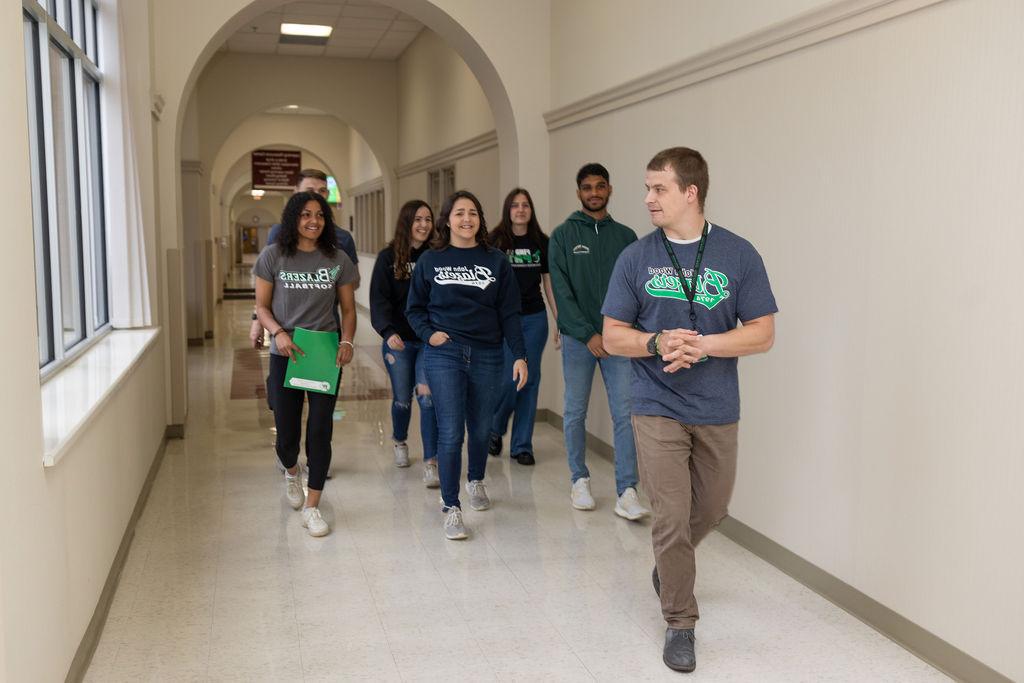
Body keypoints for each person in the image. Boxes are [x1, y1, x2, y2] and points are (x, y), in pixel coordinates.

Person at [602, 147, 777, 673]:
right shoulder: (635, 257)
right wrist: (657, 344)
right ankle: (680, 621)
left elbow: (763, 332)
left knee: (714, 506)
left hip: (717, 403)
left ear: (690, 192)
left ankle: (668, 562)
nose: (648, 198)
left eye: (658, 188)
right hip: (655, 401)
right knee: (671, 515)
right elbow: (612, 336)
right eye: (648, 187)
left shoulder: (738, 254)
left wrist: (704, 346)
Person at [406, 190, 527, 540]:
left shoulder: (496, 261)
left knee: (481, 427)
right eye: (459, 213)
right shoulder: (431, 259)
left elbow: (510, 313)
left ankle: (475, 480)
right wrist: (429, 335)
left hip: (488, 353)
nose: (466, 219)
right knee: (450, 431)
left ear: (480, 219)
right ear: (447, 219)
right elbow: (414, 309)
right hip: (445, 353)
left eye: (473, 212)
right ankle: (451, 506)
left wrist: (519, 354)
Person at [253, 191, 358, 537]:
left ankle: (313, 506)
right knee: (287, 433)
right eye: (305, 215)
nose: (313, 221)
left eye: (320, 215)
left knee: (320, 429)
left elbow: (348, 309)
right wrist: (277, 334)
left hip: (324, 352)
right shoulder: (274, 256)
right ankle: (291, 469)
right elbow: (263, 307)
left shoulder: (337, 258)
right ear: (293, 219)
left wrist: (346, 340)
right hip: (286, 351)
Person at [548, 163, 649, 520]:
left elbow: (638, 290)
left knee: (626, 414)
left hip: (619, 341)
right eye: (587, 187)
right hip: (580, 339)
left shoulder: (626, 237)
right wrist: (587, 333)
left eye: (600, 186)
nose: (594, 192)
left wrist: (624, 334)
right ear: (578, 193)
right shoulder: (561, 236)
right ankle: (579, 480)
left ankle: (627, 490)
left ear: (610, 190)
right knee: (575, 411)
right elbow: (561, 290)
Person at [369, 200, 440, 486]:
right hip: (398, 341)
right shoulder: (388, 257)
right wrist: (387, 332)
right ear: (406, 223)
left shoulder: (437, 256)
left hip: (428, 341)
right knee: (402, 399)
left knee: (427, 397)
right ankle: (399, 440)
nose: (424, 225)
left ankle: (431, 461)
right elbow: (379, 299)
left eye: (428, 219)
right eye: (417, 219)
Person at [486, 188, 558, 466]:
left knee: (531, 380)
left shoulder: (542, 241)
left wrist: (558, 320)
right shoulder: (494, 241)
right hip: (504, 321)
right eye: (515, 205)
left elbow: (549, 283)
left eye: (525, 205)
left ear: (531, 210)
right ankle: (495, 425)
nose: (520, 209)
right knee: (509, 378)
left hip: (535, 318)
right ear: (508, 209)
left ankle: (522, 446)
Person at [250, 168, 359, 350]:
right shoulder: (278, 235)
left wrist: (320, 284)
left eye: (322, 191)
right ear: (296, 192)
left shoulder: (343, 239)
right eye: (309, 191)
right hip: (285, 331)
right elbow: (267, 284)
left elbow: (352, 284)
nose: (317, 196)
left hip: (325, 329)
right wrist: (257, 321)